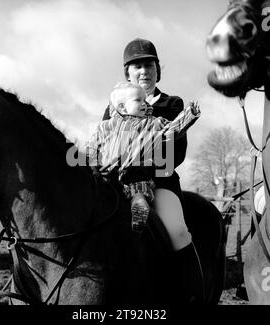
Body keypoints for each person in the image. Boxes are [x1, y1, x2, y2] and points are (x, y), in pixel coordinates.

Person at [102, 38, 204, 304]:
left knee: (177, 232)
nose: (143, 71)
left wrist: (137, 152)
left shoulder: (172, 105)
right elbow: (106, 146)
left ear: (158, 70)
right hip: (120, 184)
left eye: (149, 64)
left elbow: (175, 155)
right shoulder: (113, 108)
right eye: (136, 66)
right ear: (128, 74)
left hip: (161, 184)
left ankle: (190, 292)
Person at [86, 81, 200, 235]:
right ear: (122, 107)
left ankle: (139, 206)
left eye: (145, 100)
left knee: (138, 189)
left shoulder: (152, 123)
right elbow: (92, 146)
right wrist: (92, 165)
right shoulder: (105, 126)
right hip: (107, 175)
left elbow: (171, 131)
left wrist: (188, 115)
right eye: (138, 100)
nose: (144, 103)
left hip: (135, 172)